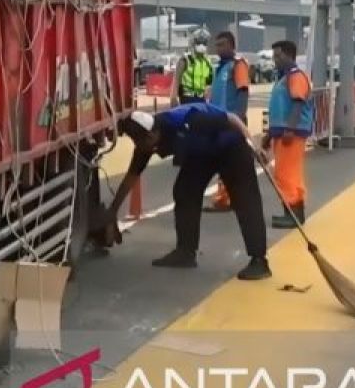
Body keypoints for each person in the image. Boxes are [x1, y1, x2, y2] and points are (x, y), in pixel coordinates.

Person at [112, 104, 270, 280]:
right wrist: (112, 212)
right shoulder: (145, 142)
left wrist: (255, 147)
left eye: (145, 143)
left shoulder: (190, 119)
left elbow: (232, 118)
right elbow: (132, 176)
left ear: (154, 133)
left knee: (245, 198)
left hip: (229, 145)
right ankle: (186, 252)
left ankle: (259, 260)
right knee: (184, 190)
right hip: (201, 152)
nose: (145, 149)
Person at [265, 40, 312, 228]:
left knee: (285, 174)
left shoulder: (295, 76)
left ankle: (292, 215)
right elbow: (279, 109)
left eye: (278, 55)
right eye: (274, 56)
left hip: (290, 134)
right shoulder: (284, 77)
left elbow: (298, 103)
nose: (275, 60)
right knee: (290, 173)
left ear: (289, 55)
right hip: (283, 133)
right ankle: (295, 213)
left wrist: (290, 129)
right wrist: (270, 134)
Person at [205, 31, 250, 212]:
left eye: (222, 44)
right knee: (223, 161)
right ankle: (224, 198)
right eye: (217, 45)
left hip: (231, 122)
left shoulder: (237, 66)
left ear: (232, 45)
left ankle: (229, 199)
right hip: (219, 122)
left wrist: (239, 116)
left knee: (230, 161)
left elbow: (243, 91)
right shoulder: (221, 67)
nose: (219, 48)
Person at [170, 28, 213, 107]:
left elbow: (209, 84)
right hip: (187, 99)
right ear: (193, 43)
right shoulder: (185, 60)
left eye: (204, 42)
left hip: (202, 99)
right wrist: (173, 98)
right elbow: (176, 81)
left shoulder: (208, 62)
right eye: (199, 42)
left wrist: (210, 99)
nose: (202, 44)